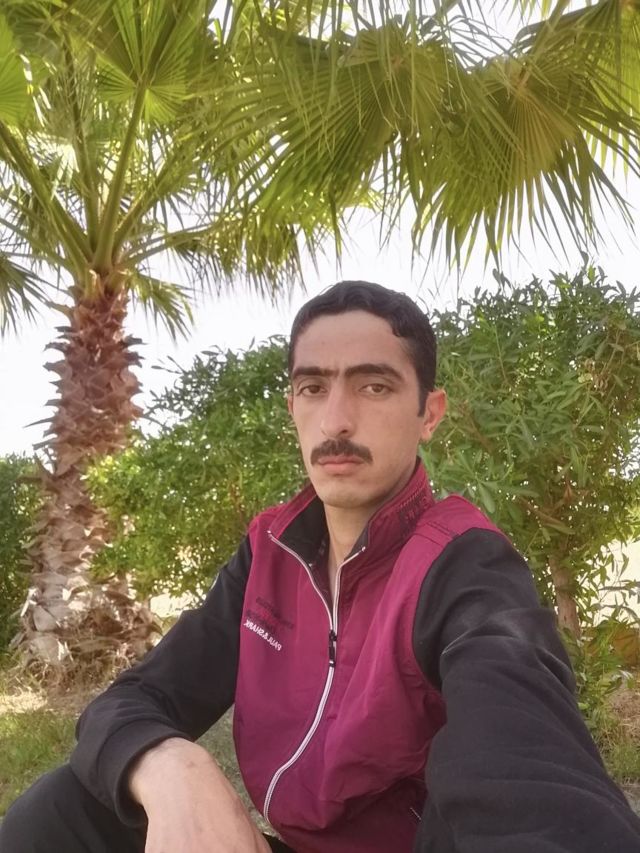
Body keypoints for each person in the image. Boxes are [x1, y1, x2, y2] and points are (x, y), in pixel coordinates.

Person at [2, 281, 639, 853]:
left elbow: (526, 770)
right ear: (292, 407)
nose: (336, 420)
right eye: (313, 387)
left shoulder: (463, 565)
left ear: (429, 414)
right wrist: (174, 768)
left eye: (374, 386)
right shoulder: (271, 551)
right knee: (63, 811)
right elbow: (134, 699)